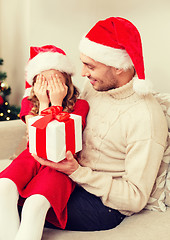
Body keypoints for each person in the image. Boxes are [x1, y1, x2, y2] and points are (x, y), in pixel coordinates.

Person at [33, 17, 168, 232]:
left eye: (90, 66)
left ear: (118, 68)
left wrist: (77, 172)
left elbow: (135, 198)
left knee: (25, 207)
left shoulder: (145, 117)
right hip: (71, 179)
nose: (83, 73)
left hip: (103, 204)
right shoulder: (96, 87)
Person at [0, 45, 89, 240]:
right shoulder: (30, 103)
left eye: (55, 80)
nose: (49, 87)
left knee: (35, 204)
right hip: (32, 156)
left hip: (60, 164)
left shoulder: (81, 106)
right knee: (4, 186)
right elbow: (38, 137)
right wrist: (43, 105)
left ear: (66, 82)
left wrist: (56, 105)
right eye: (42, 80)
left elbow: (58, 144)